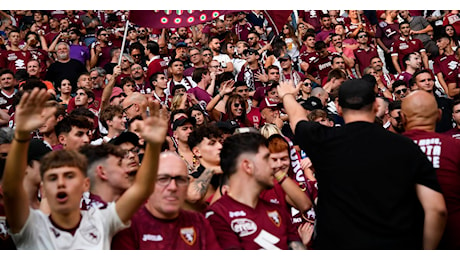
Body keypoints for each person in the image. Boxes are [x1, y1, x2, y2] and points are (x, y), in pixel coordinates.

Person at [278, 78, 447, 249]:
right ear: (376, 107)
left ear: (338, 109)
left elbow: (297, 119)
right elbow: (436, 209)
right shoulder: (406, 146)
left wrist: (287, 95)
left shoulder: (323, 140)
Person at [2, 87, 169, 249]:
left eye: (69, 176)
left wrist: (153, 146)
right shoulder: (31, 226)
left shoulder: (102, 220)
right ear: (43, 187)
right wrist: (22, 135)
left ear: (85, 184)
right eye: (52, 178)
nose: (61, 183)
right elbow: (11, 191)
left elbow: (141, 188)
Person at [205, 132, 307, 250]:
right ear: (248, 166)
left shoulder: (278, 211)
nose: (274, 166)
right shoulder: (217, 216)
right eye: (266, 159)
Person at [111, 151, 220, 250]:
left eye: (180, 179)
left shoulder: (199, 222)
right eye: (163, 179)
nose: (172, 187)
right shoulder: (129, 225)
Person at [401, 90, 460, 249]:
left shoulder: (389, 150)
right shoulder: (455, 147)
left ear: (402, 117)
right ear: (439, 115)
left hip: (405, 240)